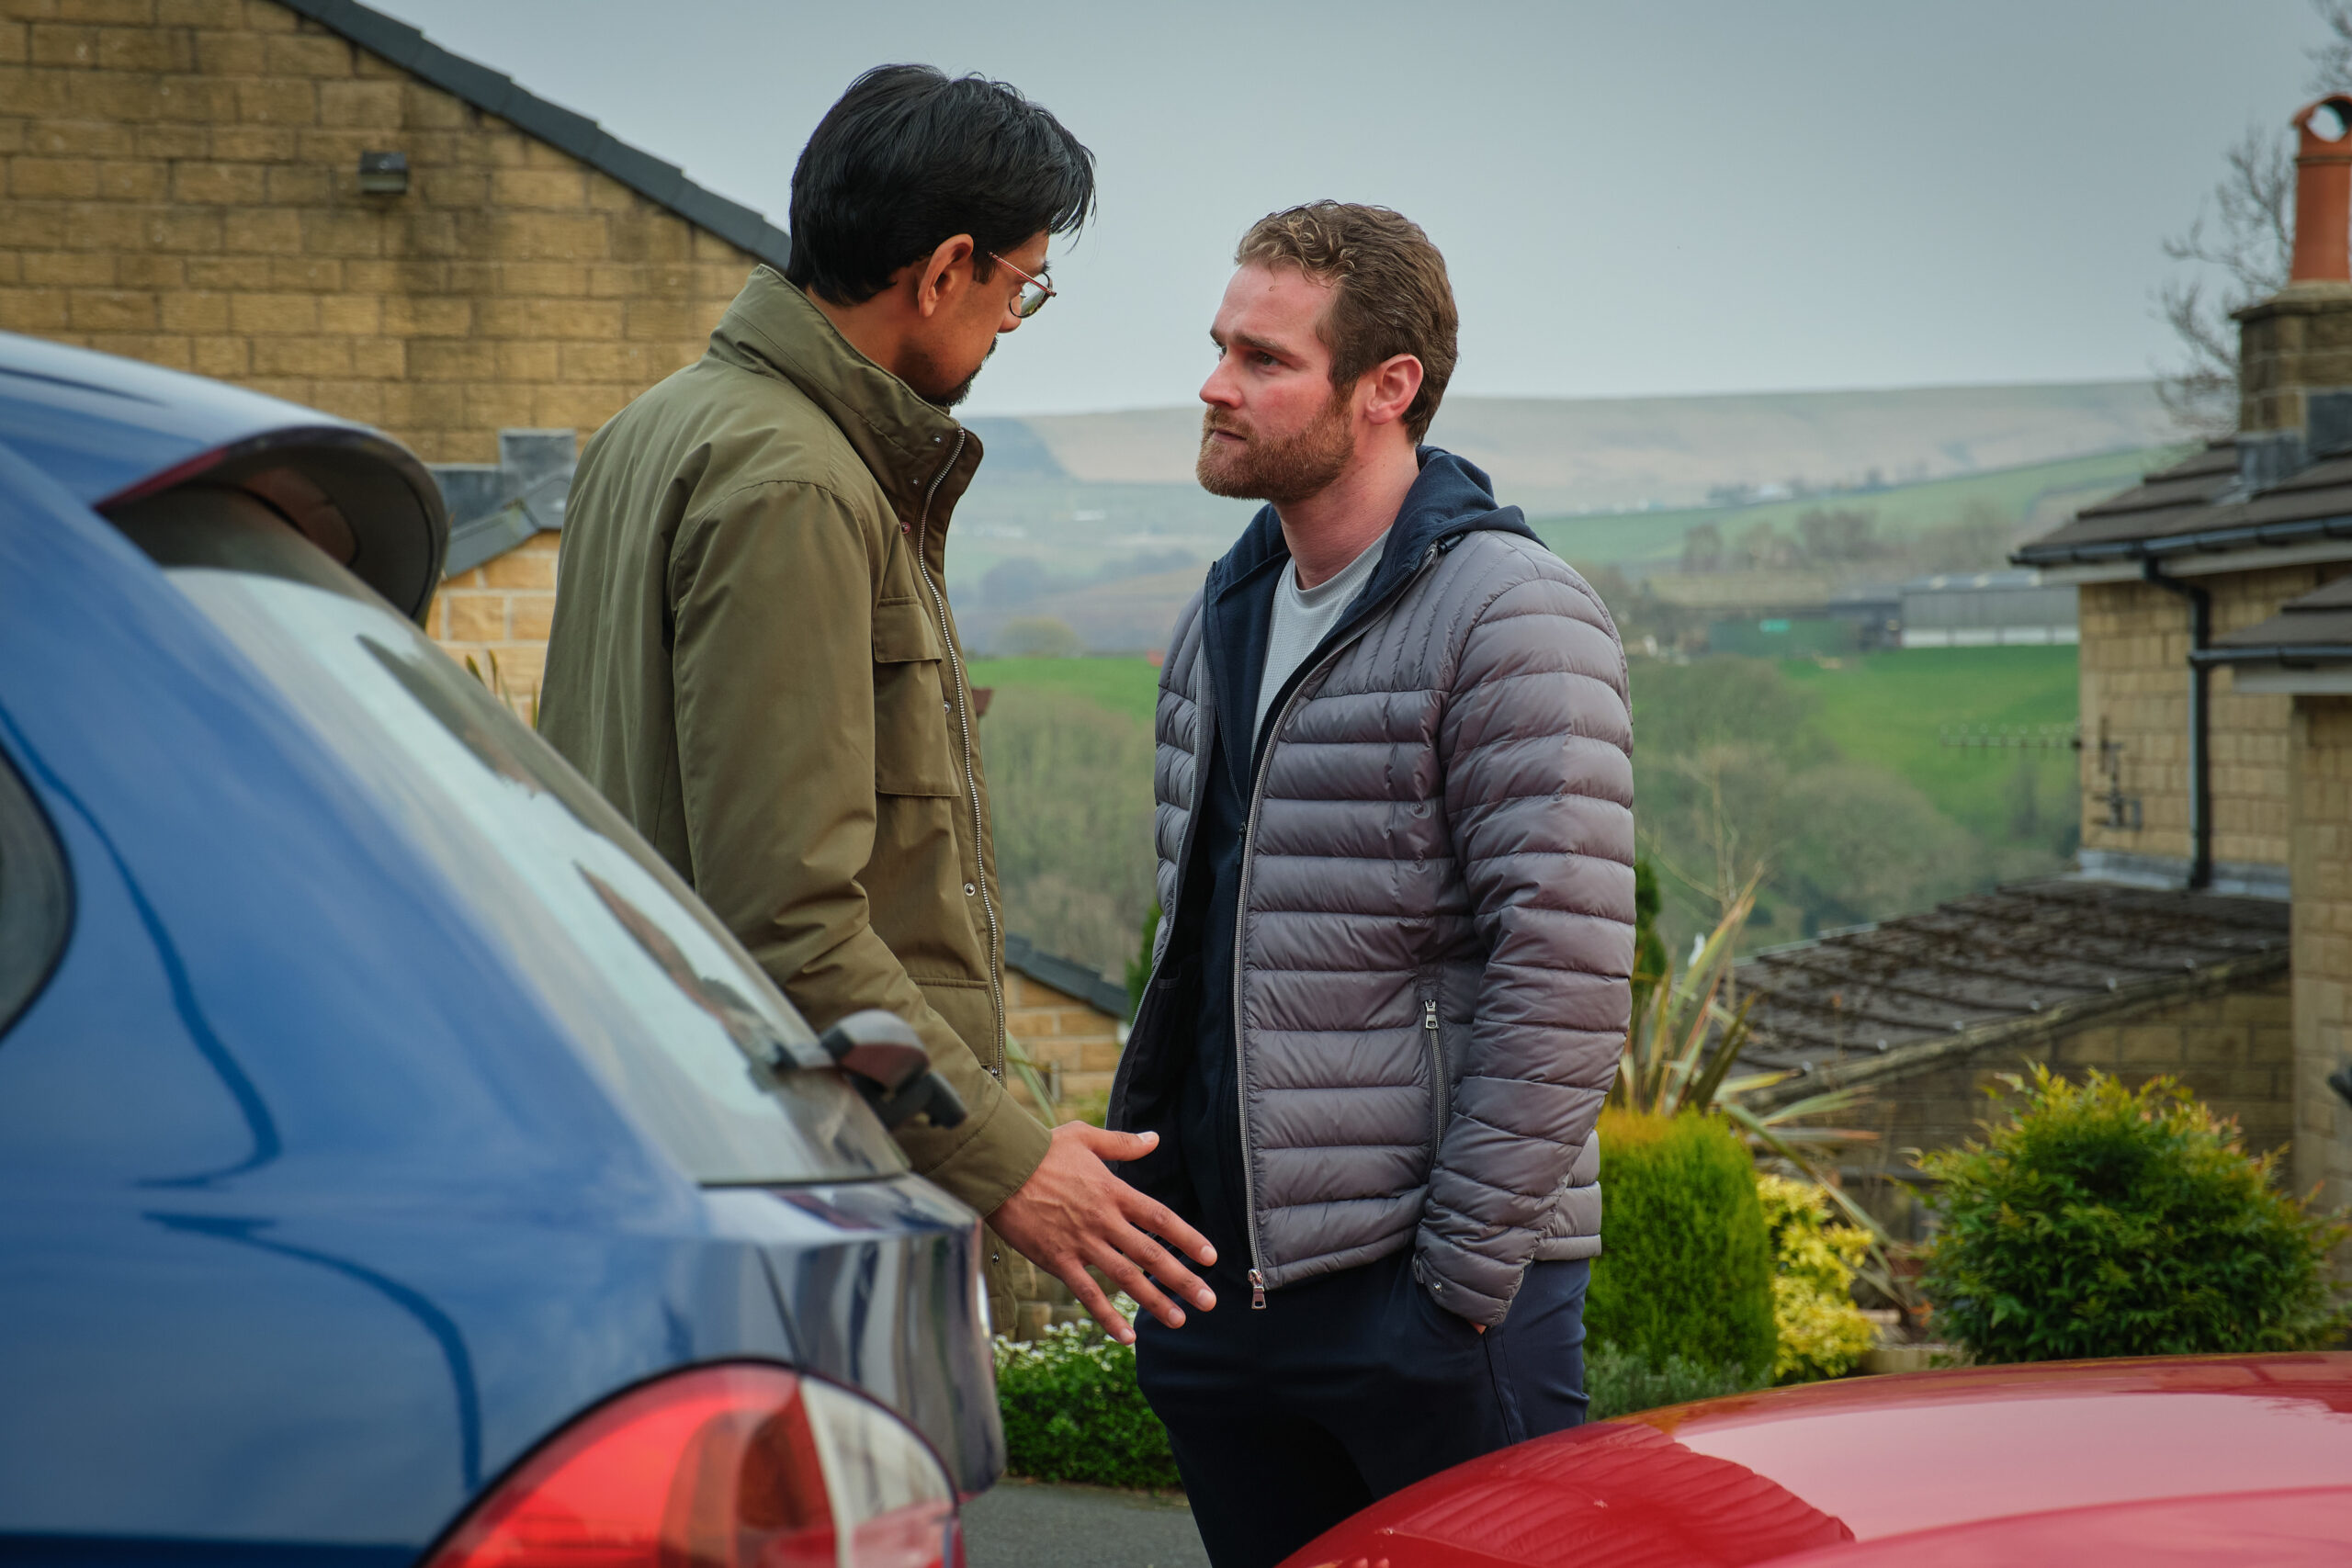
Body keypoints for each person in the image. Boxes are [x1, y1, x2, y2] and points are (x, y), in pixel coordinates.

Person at [538, 65, 1216, 1346]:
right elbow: (791, 926)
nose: (1017, 320)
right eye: (1022, 283)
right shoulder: (797, 485)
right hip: (791, 1187)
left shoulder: (662, 428)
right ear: (946, 267)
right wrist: (1006, 1152)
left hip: (683, 1152)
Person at [1111, 202, 1634, 1568]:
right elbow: (1194, 941)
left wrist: (1452, 1296)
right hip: (1224, 1289)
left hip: (1425, 1304)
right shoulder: (1222, 608)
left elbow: (1566, 976)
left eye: (1265, 359)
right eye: (1221, 346)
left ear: (1387, 388)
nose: (1217, 384)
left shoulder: (1512, 614)